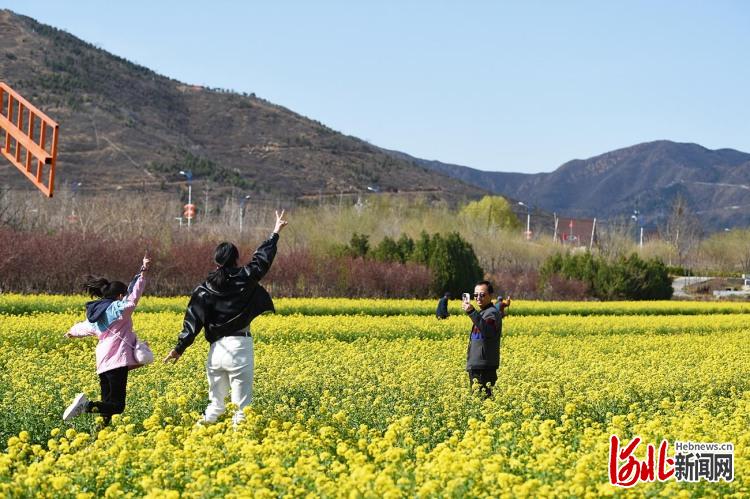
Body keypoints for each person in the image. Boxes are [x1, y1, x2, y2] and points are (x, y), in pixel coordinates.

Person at [164, 210, 288, 425]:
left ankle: (194, 440)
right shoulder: (245, 277)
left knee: (215, 406)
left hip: (216, 352)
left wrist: (179, 348)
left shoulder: (204, 288)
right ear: (236, 258)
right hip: (239, 347)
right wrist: (275, 232)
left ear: (216, 260)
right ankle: (241, 451)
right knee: (241, 409)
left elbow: (192, 321)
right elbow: (262, 260)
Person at [63, 253, 151, 425]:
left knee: (107, 407)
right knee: (117, 406)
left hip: (102, 363)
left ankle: (99, 435)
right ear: (119, 296)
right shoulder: (119, 310)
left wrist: (71, 332)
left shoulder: (96, 315)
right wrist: (144, 270)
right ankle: (86, 406)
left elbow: (83, 327)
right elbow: (134, 295)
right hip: (117, 361)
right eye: (123, 295)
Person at [462, 280, 502, 398]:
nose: (478, 298)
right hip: (477, 365)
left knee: (484, 401)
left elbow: (488, 331)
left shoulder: (492, 313)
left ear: (490, 295)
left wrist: (472, 312)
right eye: (475, 295)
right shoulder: (483, 312)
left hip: (484, 367)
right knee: (480, 401)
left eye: (482, 295)